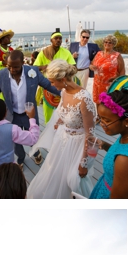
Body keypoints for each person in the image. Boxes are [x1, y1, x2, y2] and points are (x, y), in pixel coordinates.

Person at [0, 49, 61, 164]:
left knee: (34, 137)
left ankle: (35, 152)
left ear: (23, 63)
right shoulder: (1, 74)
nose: (12, 70)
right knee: (15, 141)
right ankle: (21, 158)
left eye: (16, 67)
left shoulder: (33, 72)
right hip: (12, 115)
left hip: (30, 114)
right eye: (9, 66)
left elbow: (48, 85)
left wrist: (65, 92)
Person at [27, 60, 96, 199]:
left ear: (63, 79)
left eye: (52, 82)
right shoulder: (64, 92)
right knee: (54, 173)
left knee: (73, 180)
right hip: (62, 142)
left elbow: (90, 134)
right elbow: (66, 112)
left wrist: (84, 163)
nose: (51, 85)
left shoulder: (84, 98)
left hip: (78, 146)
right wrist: (60, 121)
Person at [33, 32, 77, 125]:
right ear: (51, 40)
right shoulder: (44, 52)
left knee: (64, 107)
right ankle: (48, 126)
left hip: (63, 84)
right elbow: (35, 67)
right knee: (47, 109)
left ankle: (63, 126)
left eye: (60, 38)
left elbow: (73, 66)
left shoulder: (66, 52)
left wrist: (63, 69)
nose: (58, 40)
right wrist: (45, 67)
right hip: (48, 84)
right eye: (56, 38)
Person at [91, 34, 125, 103]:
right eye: (106, 42)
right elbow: (92, 64)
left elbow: (122, 71)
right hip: (97, 84)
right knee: (98, 102)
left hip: (110, 85)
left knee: (109, 104)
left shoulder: (117, 56)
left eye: (110, 42)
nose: (107, 44)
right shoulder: (99, 54)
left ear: (113, 44)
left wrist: (119, 83)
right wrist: (91, 67)